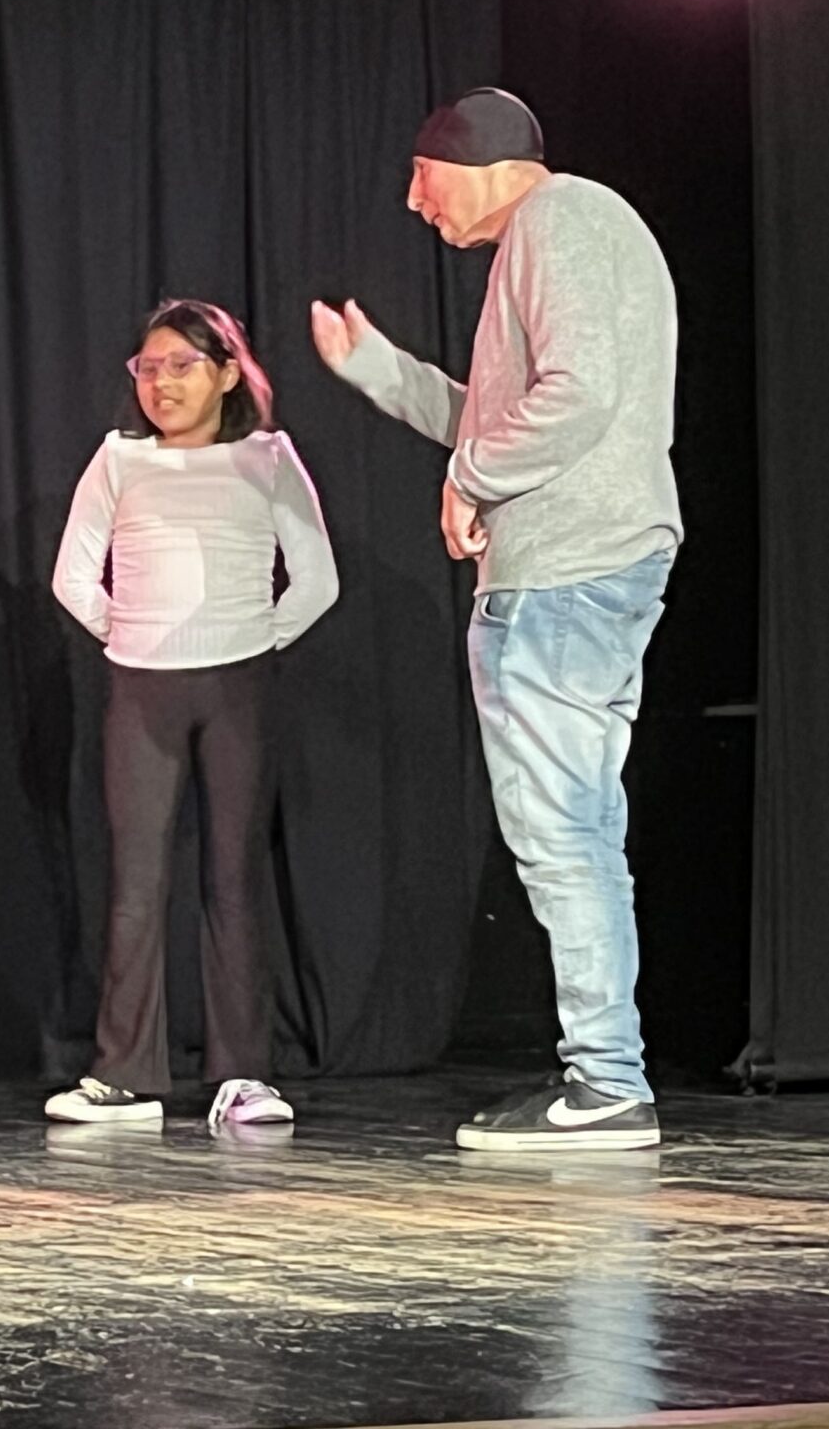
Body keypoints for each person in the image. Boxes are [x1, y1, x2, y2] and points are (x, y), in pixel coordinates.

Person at [311, 87, 679, 1152]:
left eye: (421, 178)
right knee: (573, 830)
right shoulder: (559, 233)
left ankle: (607, 1083)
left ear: (474, 160)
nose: (413, 202)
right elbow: (500, 414)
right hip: (579, 562)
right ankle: (604, 1074)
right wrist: (379, 372)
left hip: (565, 568)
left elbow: (577, 395)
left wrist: (469, 481)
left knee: (561, 833)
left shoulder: (562, 218)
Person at [47, 300, 338, 1132]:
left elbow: (317, 580)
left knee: (233, 877)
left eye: (182, 365)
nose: (163, 383)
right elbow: (73, 577)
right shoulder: (119, 459)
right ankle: (123, 1073)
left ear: (226, 373)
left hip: (238, 688)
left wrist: (251, 640)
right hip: (141, 690)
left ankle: (243, 1075)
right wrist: (131, 635)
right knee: (136, 883)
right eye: (149, 367)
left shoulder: (267, 457)